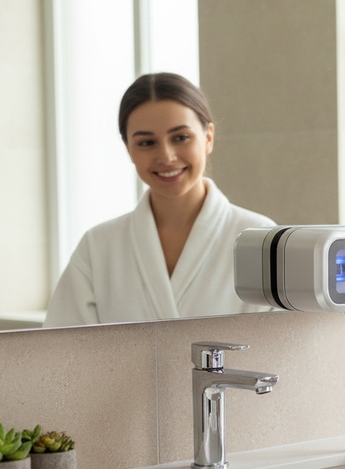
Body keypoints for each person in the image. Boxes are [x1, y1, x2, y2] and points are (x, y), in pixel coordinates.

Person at [44, 73, 275, 327]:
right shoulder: (97, 247)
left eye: (180, 138)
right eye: (146, 142)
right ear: (128, 149)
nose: (166, 156)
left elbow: (286, 348)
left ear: (208, 137)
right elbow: (61, 355)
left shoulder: (260, 239)